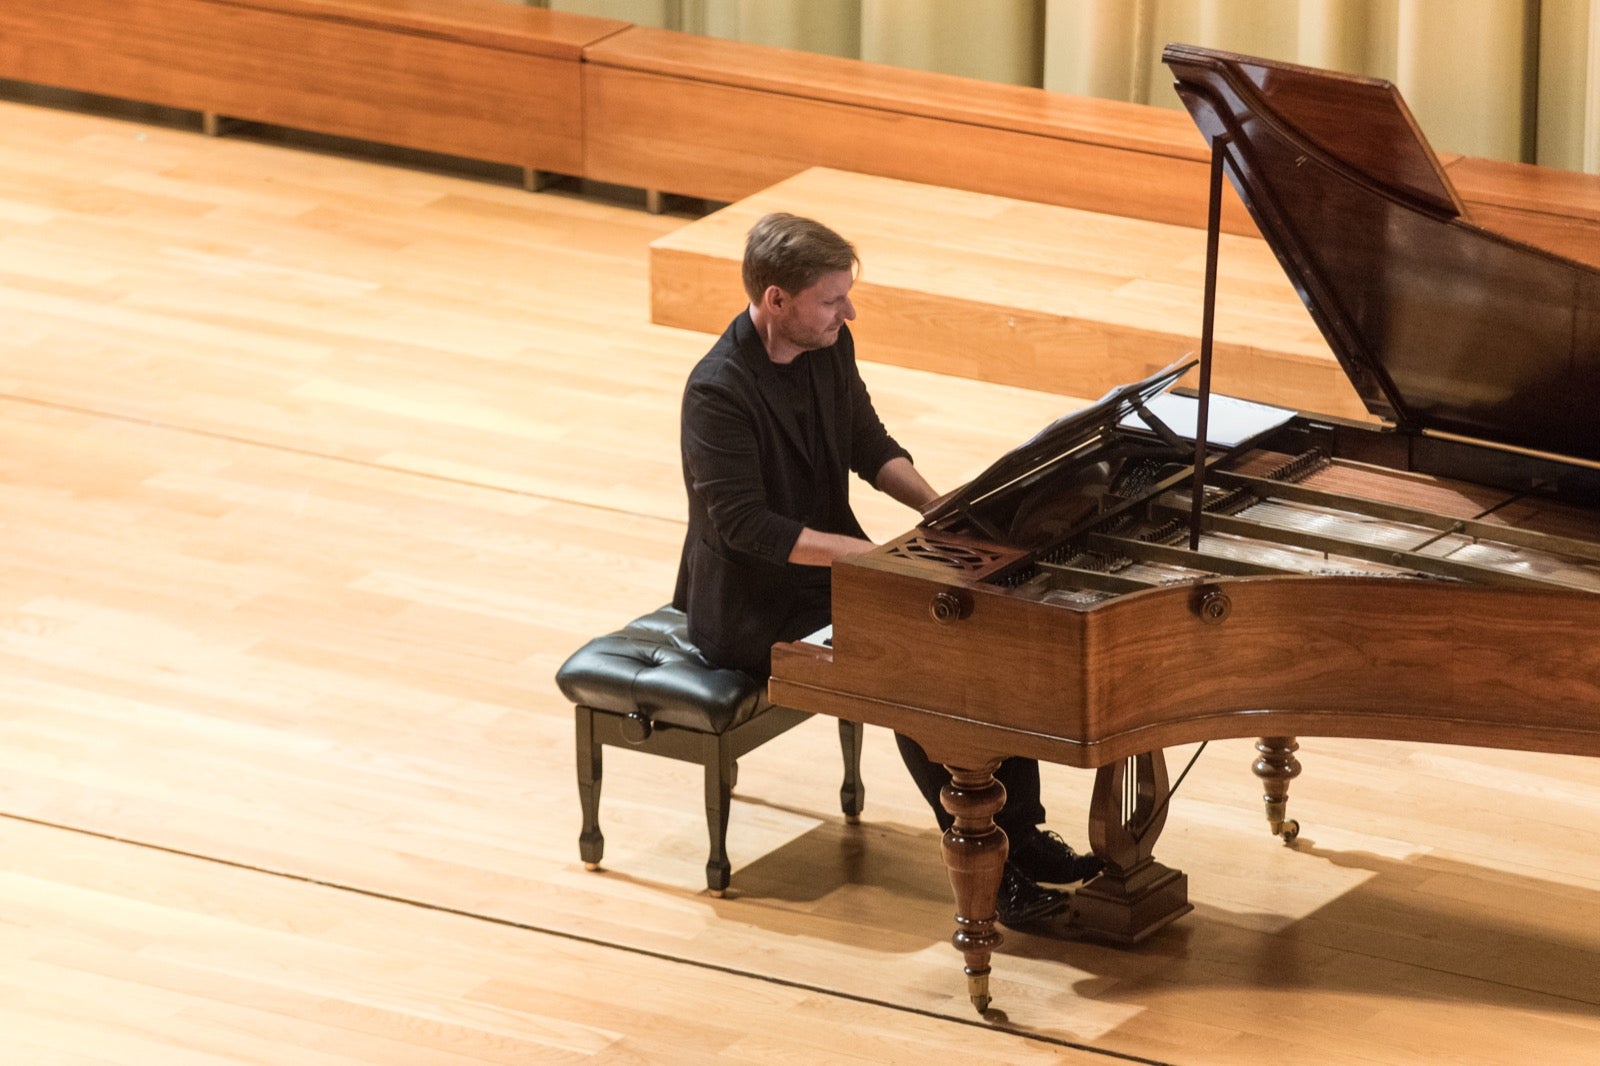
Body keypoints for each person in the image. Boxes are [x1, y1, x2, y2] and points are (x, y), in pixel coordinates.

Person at [672, 212, 1100, 926]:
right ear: (776, 300)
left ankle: (1020, 834)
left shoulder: (827, 346)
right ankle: (990, 868)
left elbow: (866, 442)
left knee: (979, 631)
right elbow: (746, 527)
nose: (848, 312)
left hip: (832, 572)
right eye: (832, 299)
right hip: (755, 605)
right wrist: (876, 560)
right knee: (916, 666)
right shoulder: (718, 392)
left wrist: (940, 509)